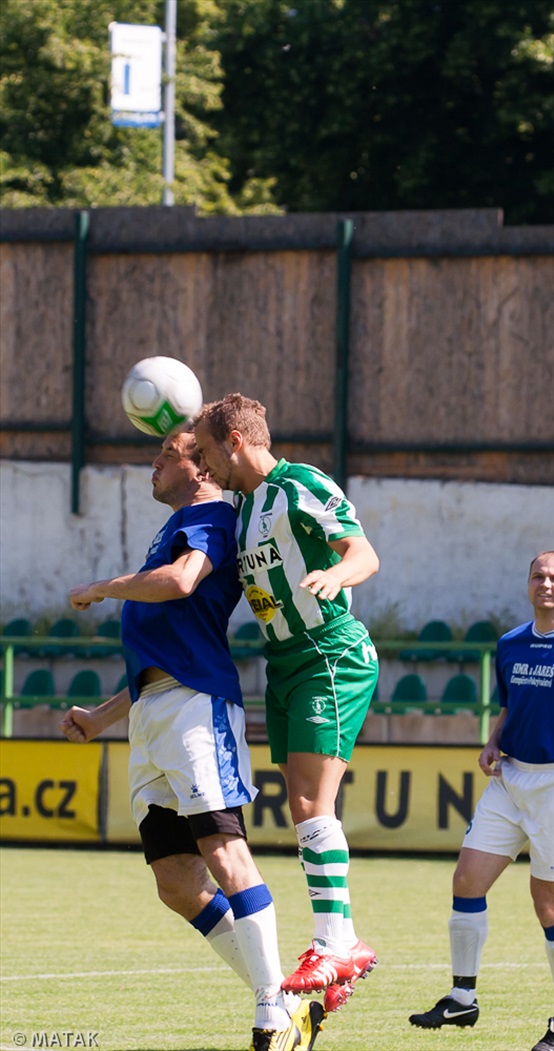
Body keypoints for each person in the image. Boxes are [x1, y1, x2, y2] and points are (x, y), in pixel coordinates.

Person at [59, 428, 325, 1051]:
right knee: (176, 881)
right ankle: (286, 1005)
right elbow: (164, 645)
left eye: (166, 455)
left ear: (201, 467)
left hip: (196, 711)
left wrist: (103, 587)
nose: (153, 465)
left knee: (225, 855)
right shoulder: (178, 521)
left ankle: (271, 1017)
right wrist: (104, 715)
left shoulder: (206, 517)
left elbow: (181, 582)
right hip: (155, 710)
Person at [409, 550, 554, 1051]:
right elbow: (510, 704)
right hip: (509, 778)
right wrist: (495, 739)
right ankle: (461, 998)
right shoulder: (510, 644)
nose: (546, 584)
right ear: (528, 583)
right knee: (467, 880)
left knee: (549, 903)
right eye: (538, 576)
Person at [193, 394, 380, 1014]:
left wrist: (336, 577)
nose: (205, 466)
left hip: (329, 651)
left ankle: (337, 941)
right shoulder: (241, 508)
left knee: (309, 801)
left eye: (209, 452)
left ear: (236, 442)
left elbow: (363, 552)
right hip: (284, 662)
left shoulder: (300, 484)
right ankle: (339, 944)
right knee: (300, 804)